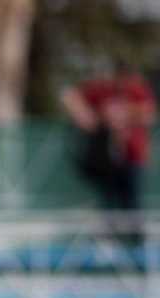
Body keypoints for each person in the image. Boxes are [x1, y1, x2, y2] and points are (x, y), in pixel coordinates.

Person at [61, 62, 156, 243]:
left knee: (132, 203)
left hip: (132, 157)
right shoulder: (103, 89)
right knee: (107, 202)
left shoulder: (136, 90)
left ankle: (136, 245)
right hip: (106, 160)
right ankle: (109, 244)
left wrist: (124, 114)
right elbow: (70, 96)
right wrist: (85, 116)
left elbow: (148, 113)